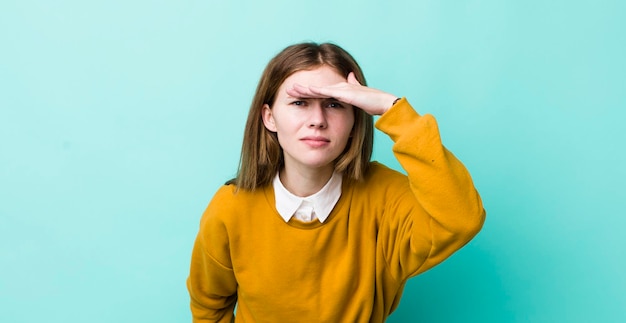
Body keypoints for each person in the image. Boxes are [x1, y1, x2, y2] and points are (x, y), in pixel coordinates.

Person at [187, 42, 486, 322]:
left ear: (356, 118)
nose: (317, 119)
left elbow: (462, 219)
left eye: (334, 104)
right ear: (269, 118)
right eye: (300, 102)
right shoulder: (231, 208)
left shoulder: (384, 197)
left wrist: (391, 109)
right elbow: (208, 306)